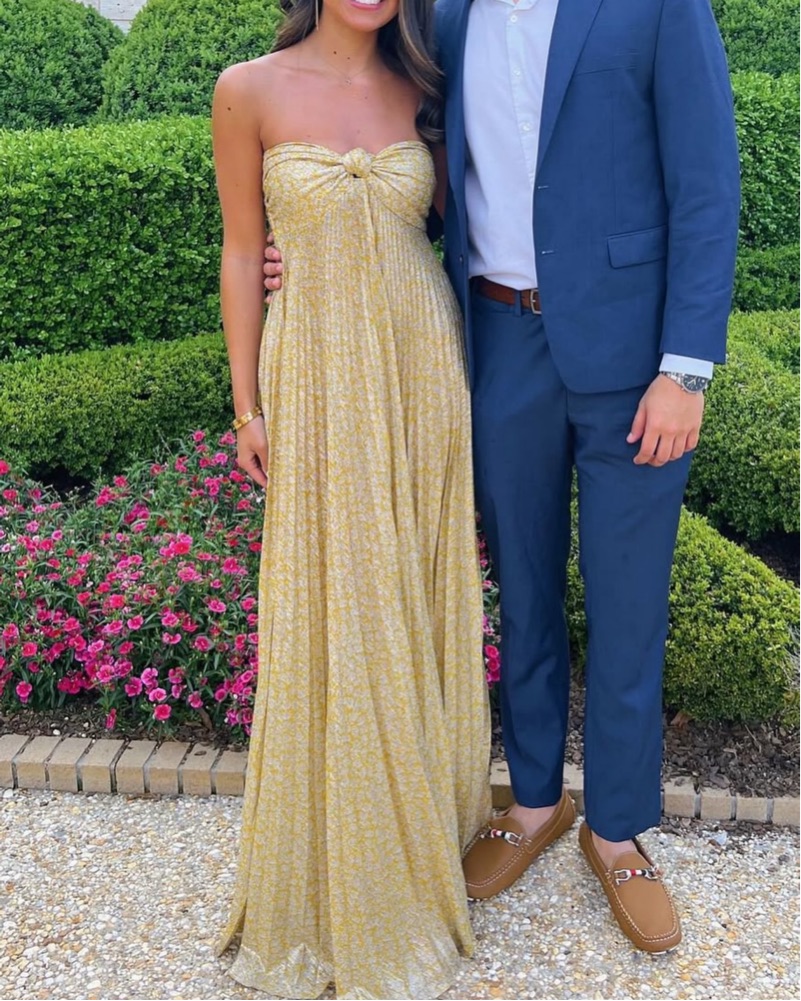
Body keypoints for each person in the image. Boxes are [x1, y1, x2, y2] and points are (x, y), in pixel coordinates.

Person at [266, 0, 741, 957]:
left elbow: (705, 182)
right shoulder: (441, 16)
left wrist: (685, 369)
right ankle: (531, 801)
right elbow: (374, 122)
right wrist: (314, 240)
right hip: (495, 343)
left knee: (627, 602)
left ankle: (617, 830)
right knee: (521, 592)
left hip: (633, 359)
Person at [211, 0, 491, 996]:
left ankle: (419, 830)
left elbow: (469, 223)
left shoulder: (428, 87)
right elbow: (241, 250)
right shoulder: (247, 89)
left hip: (419, 365)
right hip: (316, 371)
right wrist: (246, 404)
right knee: (336, 592)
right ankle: (338, 852)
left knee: (409, 584)